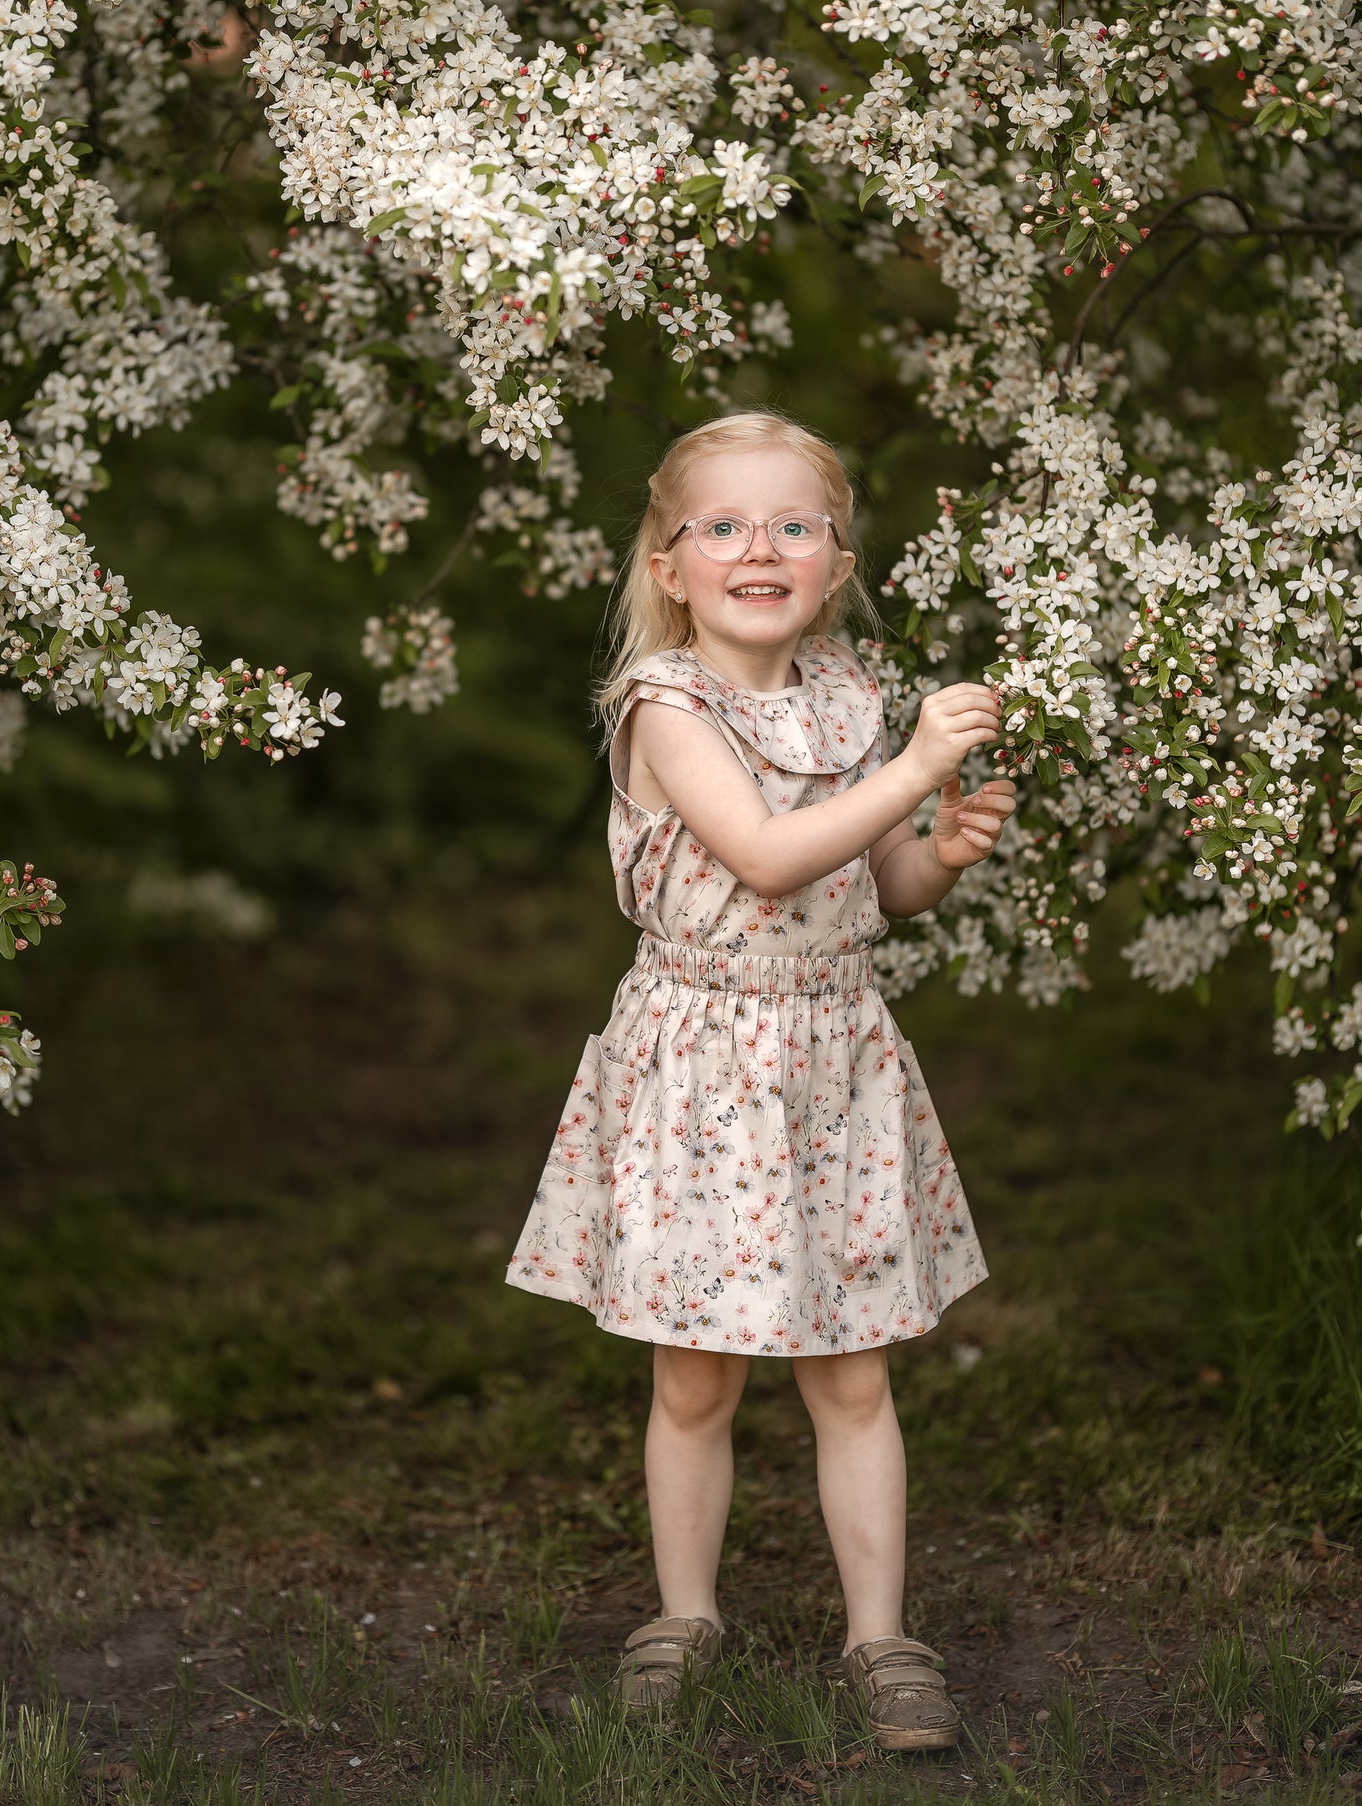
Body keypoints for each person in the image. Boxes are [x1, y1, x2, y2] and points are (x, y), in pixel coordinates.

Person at [505, 409, 1016, 1751]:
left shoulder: (850, 692)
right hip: (704, 1067)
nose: (759, 549)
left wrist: (939, 846)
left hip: (835, 1057)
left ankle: (880, 1637)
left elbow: (873, 880)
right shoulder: (665, 707)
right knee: (697, 1380)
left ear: (836, 564)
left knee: (852, 1377)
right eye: (723, 526)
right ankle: (683, 1616)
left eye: (794, 526)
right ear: (668, 566)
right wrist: (919, 762)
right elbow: (768, 857)